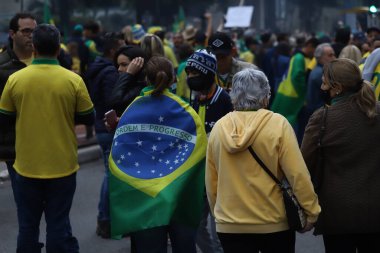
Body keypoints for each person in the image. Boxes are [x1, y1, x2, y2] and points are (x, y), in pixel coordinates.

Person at [0, 24, 94, 253]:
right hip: (62, 166)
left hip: (25, 166)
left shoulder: (15, 80)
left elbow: (4, 118)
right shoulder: (73, 80)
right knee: (58, 226)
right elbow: (88, 117)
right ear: (58, 49)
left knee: (28, 227)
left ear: (35, 47)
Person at [206, 68, 321, 253]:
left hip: (230, 223)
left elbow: (212, 181)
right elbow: (297, 174)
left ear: (233, 95)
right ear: (265, 96)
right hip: (274, 222)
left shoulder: (219, 128)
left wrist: (218, 212)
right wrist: (311, 210)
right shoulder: (278, 124)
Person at [108, 56, 207, 253]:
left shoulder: (132, 109)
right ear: (173, 79)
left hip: (145, 201)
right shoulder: (186, 110)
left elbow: (119, 153)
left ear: (146, 79)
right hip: (179, 197)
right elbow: (200, 151)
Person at [301, 58, 380, 253]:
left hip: (337, 213)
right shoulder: (377, 111)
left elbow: (304, 165)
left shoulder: (322, 118)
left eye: (325, 82)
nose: (322, 86)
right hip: (376, 210)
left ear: (337, 87)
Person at [186, 49, 233, 252]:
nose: (190, 78)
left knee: (219, 228)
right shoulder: (194, 98)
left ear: (207, 74)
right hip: (198, 175)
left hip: (221, 176)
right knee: (195, 226)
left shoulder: (225, 101)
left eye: (195, 74)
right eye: (188, 74)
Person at [86, 32, 125, 238]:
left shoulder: (97, 67)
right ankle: (105, 220)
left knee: (110, 174)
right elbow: (114, 100)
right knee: (111, 176)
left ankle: (107, 219)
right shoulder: (110, 72)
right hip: (108, 128)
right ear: (112, 51)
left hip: (100, 127)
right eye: (122, 46)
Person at [0, 12, 37, 202]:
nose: (31, 35)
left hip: (47, 142)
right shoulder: (2, 65)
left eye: (34, 31)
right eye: (26, 31)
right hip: (16, 147)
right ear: (12, 33)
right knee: (26, 204)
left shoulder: (48, 59)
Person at [110, 45, 147, 116]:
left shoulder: (142, 85)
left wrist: (128, 73)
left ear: (138, 64)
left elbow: (116, 103)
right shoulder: (126, 80)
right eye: (118, 65)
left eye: (124, 64)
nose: (119, 69)